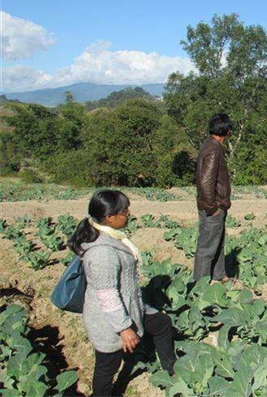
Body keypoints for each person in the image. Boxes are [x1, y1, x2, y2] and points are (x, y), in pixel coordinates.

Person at [67, 190, 176, 396]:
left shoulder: (110, 237)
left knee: (162, 323)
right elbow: (108, 296)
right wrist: (124, 329)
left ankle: (172, 370)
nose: (128, 214)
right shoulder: (102, 253)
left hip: (131, 307)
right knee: (107, 367)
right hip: (110, 320)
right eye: (124, 211)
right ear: (109, 217)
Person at [194, 112, 233, 283]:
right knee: (207, 248)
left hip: (217, 203)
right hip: (213, 205)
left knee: (217, 242)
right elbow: (206, 180)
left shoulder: (210, 145)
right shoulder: (213, 149)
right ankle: (200, 286)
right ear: (227, 131)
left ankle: (219, 275)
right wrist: (212, 207)